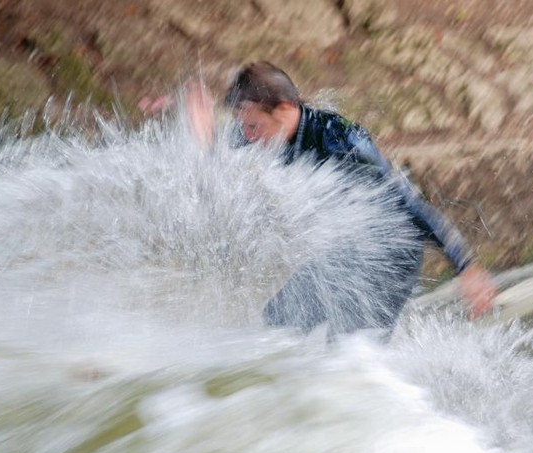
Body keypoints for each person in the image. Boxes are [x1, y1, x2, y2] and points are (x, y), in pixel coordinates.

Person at [185, 62, 497, 336]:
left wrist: (465, 266)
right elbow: (228, 147)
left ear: (283, 109)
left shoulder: (341, 141)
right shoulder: (270, 131)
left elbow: (407, 203)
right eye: (244, 126)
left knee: (356, 347)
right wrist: (207, 135)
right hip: (345, 250)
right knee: (278, 321)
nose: (248, 136)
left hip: (391, 254)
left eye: (253, 126)